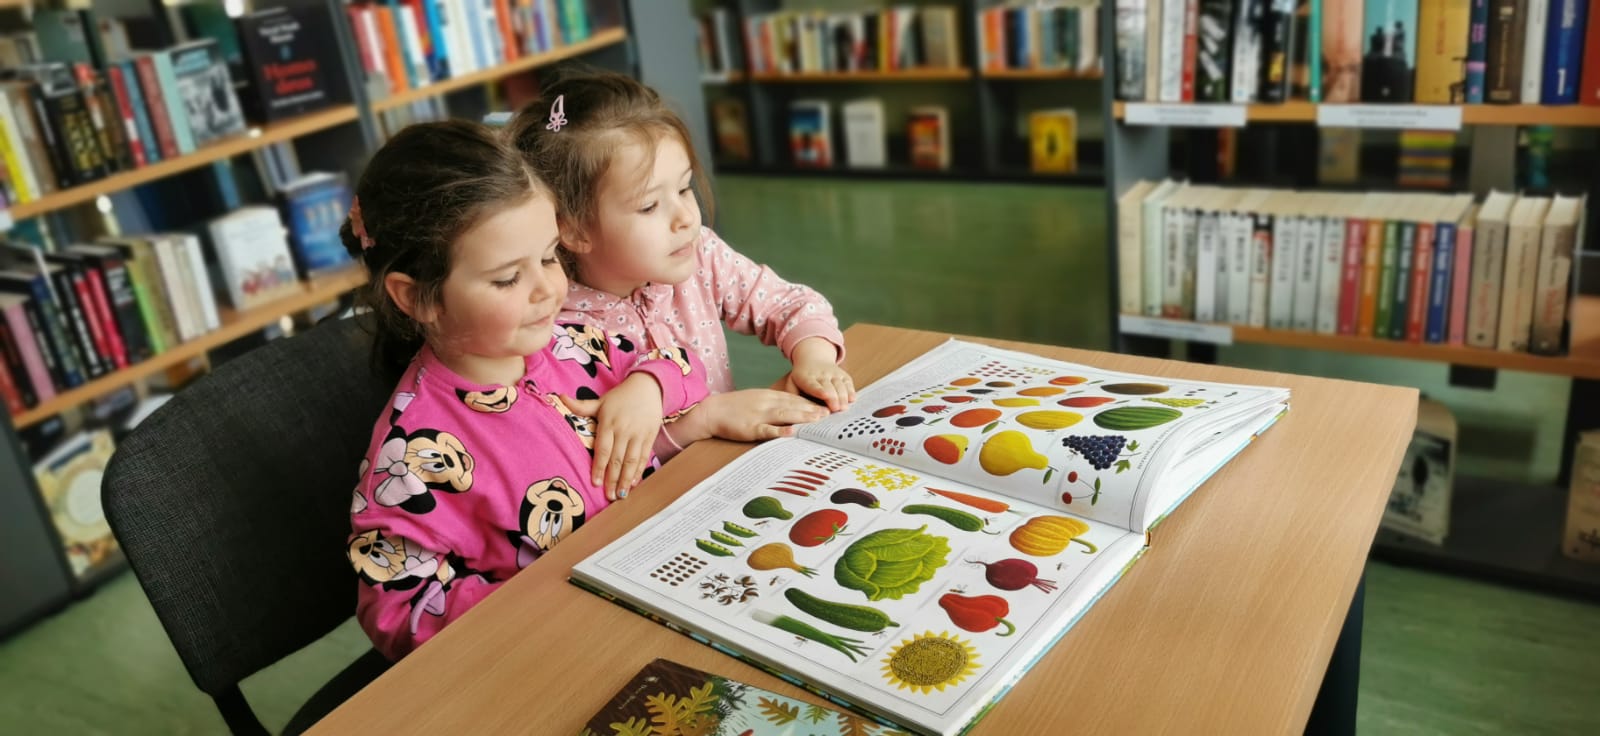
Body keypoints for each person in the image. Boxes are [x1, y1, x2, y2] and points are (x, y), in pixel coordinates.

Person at [342, 120, 709, 660]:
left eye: (548, 257)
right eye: (507, 278)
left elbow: (682, 362)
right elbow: (398, 615)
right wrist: (556, 593)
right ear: (419, 299)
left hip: (667, 586)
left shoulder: (572, 343)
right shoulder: (413, 455)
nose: (547, 289)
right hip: (568, 650)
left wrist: (649, 388)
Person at [510, 69, 852, 493]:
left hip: (732, 474)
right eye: (650, 205)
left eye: (686, 188)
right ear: (574, 229)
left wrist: (814, 358)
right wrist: (701, 422)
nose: (686, 218)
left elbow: (791, 305)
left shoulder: (700, 255)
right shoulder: (553, 327)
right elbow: (596, 465)